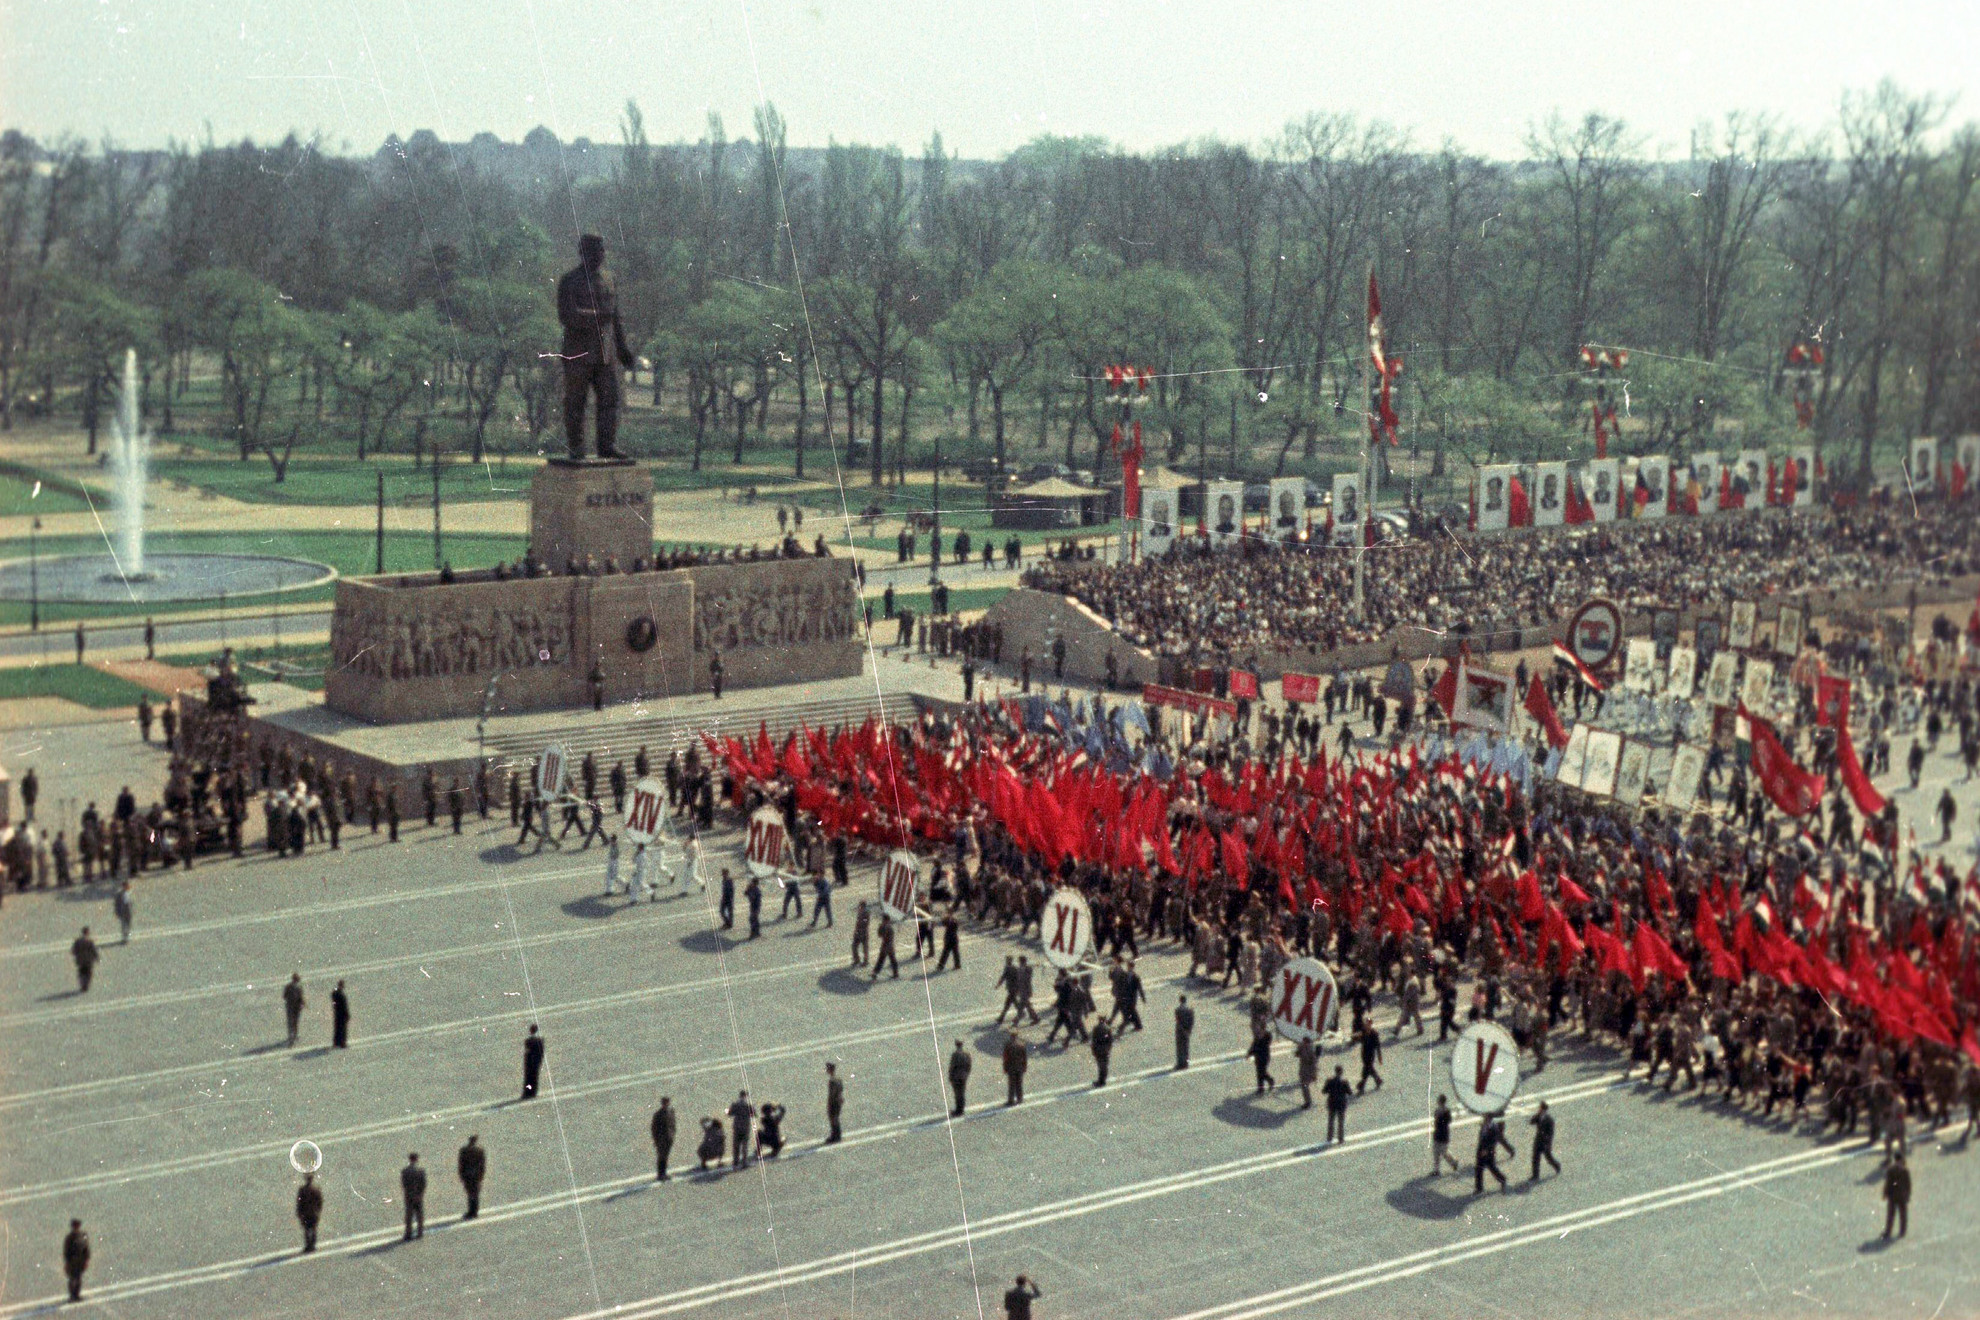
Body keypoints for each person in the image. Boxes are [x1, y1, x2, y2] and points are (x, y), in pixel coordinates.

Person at [556, 233, 634, 460]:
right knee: (575, 402)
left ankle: (606, 445)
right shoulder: (569, 281)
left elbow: (615, 317)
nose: (600, 255)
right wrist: (597, 317)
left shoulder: (609, 279)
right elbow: (566, 315)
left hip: (605, 354)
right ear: (583, 253)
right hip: (577, 353)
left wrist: (622, 348)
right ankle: (576, 446)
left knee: (610, 399)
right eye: (595, 251)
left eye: (602, 250)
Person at [1475, 1114, 1514, 1193]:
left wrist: (1486, 1150)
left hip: (1488, 1152)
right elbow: (1481, 1137)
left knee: (1492, 1168)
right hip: (1481, 1150)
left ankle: (1502, 1179)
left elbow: (1493, 1141)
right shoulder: (1484, 1125)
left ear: (1489, 1118)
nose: (1484, 1118)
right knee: (1479, 1169)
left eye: (1485, 1117)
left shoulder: (1494, 1127)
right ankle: (1479, 1188)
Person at [1432, 1095, 1463, 1175]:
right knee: (1436, 1152)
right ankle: (1436, 1170)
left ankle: (1454, 1162)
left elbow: (1448, 1121)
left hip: (1443, 1134)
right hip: (1438, 1133)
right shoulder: (1437, 1110)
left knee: (1444, 1152)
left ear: (1440, 1101)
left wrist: (1440, 1119)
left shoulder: (1446, 1111)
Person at [1882, 1153, 1910, 1239]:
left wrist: (1885, 1193)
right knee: (1896, 1214)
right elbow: (1908, 1185)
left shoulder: (1894, 1170)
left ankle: (1896, 1231)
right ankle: (1896, 1231)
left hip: (1897, 1195)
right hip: (1897, 1195)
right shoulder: (1902, 1170)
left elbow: (1908, 1184)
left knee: (1898, 1214)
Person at [1529, 1101, 1560, 1179]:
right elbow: (1531, 1122)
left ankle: (1557, 1165)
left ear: (1543, 1109)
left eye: (1540, 1108)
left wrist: (1547, 1142)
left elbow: (1550, 1133)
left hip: (1545, 1142)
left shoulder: (1549, 1120)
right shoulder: (1538, 1116)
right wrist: (1536, 1115)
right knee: (1535, 1158)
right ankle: (1535, 1175)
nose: (1539, 1109)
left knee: (1548, 1157)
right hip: (1538, 1140)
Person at [457, 1135, 486, 1219]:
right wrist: (481, 1174)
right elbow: (482, 1164)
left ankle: (471, 1211)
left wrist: (461, 1175)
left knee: (470, 1193)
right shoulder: (480, 1150)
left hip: (467, 1174)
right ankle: (475, 1211)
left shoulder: (464, 1150)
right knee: (476, 1193)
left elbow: (461, 1163)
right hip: (476, 1174)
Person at [1322, 1065, 1352, 1142]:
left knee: (1331, 1121)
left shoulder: (1329, 1081)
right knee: (1341, 1122)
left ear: (1335, 1071)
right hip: (1341, 1103)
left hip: (1332, 1103)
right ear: (1341, 1072)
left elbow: (1324, 1091)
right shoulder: (1344, 1082)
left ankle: (1329, 1137)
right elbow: (1350, 1092)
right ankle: (1340, 1138)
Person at [400, 1152, 427, 1240]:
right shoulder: (421, 1171)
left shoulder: (405, 1171)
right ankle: (420, 1232)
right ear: (417, 1159)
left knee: (409, 1215)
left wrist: (408, 1193)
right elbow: (423, 1184)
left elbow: (404, 1184)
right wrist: (420, 1194)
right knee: (419, 1214)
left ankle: (408, 1233)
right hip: (418, 1195)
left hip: (409, 1195)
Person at [62, 1219, 90, 1301]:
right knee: (72, 1279)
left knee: (78, 1278)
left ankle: (77, 1295)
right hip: (72, 1261)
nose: (76, 1228)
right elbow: (66, 1251)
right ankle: (72, 1296)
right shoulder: (69, 1238)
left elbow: (86, 1248)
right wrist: (67, 1263)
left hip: (80, 1261)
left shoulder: (83, 1235)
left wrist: (86, 1260)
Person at [296, 1173, 323, 1252]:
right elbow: (320, 1201)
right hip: (314, 1212)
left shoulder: (302, 1190)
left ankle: (309, 1245)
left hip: (306, 1213)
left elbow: (299, 1202)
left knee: (307, 1230)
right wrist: (318, 1210)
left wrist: (299, 1212)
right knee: (313, 1229)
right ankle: (312, 1245)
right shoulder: (316, 1189)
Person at [728, 1091, 755, 1168]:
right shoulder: (748, 1105)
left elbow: (730, 1113)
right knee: (744, 1145)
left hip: (737, 1126)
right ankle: (744, 1162)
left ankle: (735, 1161)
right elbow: (754, 1114)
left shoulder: (735, 1104)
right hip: (745, 1126)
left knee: (736, 1144)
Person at [1357, 1020, 1384, 1093]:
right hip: (1364, 1054)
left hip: (1371, 1054)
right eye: (1366, 1024)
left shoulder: (1374, 1034)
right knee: (1369, 1069)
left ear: (1370, 1025)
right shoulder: (1363, 1032)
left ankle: (1362, 1085)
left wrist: (1379, 1057)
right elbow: (1360, 1039)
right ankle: (1378, 1080)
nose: (1366, 1026)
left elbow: (1378, 1046)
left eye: (1368, 1024)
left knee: (1367, 1069)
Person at [652, 1097, 676, 1180]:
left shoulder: (671, 1111)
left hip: (669, 1137)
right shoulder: (658, 1114)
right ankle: (660, 1174)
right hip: (661, 1139)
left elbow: (673, 1123)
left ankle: (664, 1173)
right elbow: (654, 1128)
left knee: (666, 1156)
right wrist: (656, 1140)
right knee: (662, 1156)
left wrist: (673, 1134)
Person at [1003, 1032, 1029, 1105]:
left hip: (1011, 1067)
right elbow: (1025, 1057)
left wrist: (1005, 1067)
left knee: (1012, 1084)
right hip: (1020, 1066)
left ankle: (1011, 1100)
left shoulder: (1008, 1045)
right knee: (1019, 1083)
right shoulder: (1022, 1045)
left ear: (1011, 1036)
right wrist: (1025, 1067)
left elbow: (1006, 1058)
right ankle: (1020, 1098)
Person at [948, 1039, 973, 1116]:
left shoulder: (955, 1054)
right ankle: (961, 1109)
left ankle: (958, 1110)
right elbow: (969, 1065)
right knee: (962, 1092)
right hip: (963, 1076)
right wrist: (966, 1073)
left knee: (957, 1093)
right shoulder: (967, 1054)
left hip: (956, 1076)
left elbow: (952, 1066)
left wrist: (950, 1076)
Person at [872, 911, 899, 978]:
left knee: (882, 960)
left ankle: (875, 973)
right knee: (891, 960)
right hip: (888, 946)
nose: (883, 921)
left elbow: (882, 935)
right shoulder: (886, 926)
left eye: (883, 920)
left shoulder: (888, 928)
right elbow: (879, 935)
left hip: (887, 946)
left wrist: (881, 928)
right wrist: (880, 928)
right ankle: (895, 973)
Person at [1248, 1029, 1276, 1094]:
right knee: (1259, 1073)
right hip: (1258, 1057)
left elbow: (1264, 1044)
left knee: (1261, 1072)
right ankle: (1262, 1087)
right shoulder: (1257, 1037)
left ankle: (1268, 1082)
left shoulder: (1266, 1038)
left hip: (1264, 1057)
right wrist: (1249, 1053)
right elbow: (1253, 1046)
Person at [72, 926, 99, 993]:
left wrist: (77, 956)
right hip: (88, 960)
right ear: (87, 932)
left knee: (82, 972)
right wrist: (96, 958)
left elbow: (73, 951)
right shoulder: (90, 941)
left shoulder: (78, 941)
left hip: (80, 960)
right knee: (88, 973)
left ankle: (82, 984)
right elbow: (93, 950)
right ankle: (86, 985)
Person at [522, 1024, 545, 1099]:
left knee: (528, 1078)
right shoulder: (540, 1040)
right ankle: (533, 1092)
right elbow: (541, 1052)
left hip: (529, 1061)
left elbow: (527, 1051)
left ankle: (528, 1092)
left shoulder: (528, 1041)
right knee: (535, 1077)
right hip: (537, 1061)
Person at [1296, 1035, 1319, 1109]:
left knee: (1305, 1087)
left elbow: (1314, 1063)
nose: (1303, 1043)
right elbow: (1297, 1054)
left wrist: (1314, 1074)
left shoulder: (1311, 1050)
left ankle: (1308, 1102)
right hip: (1303, 1070)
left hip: (1308, 1071)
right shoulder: (1302, 1047)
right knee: (1304, 1087)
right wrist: (1299, 1048)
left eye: (1304, 1042)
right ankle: (1307, 1101)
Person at [1091, 1017, 1115, 1087]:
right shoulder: (1108, 1028)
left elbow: (1094, 1040)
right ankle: (1102, 1080)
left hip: (1098, 1049)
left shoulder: (1096, 1028)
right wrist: (1108, 1048)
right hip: (1105, 1049)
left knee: (1100, 1066)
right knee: (1104, 1066)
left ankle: (1100, 1081)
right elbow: (1110, 1040)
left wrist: (1093, 1050)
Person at [283, 973, 306, 1046]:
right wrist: (303, 1003)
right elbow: (301, 997)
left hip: (289, 1007)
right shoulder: (299, 987)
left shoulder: (288, 986)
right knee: (295, 1021)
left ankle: (291, 1036)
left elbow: (284, 996)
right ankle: (294, 1035)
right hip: (297, 1007)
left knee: (290, 1022)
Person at [826, 1062, 845, 1143]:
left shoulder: (832, 1081)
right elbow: (841, 1090)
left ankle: (835, 1135)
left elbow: (831, 1094)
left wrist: (829, 1104)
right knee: (836, 1118)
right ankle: (837, 1134)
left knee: (833, 1118)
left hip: (834, 1102)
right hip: (838, 1101)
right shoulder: (839, 1080)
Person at [1175, 994, 1195, 1069]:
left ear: (1180, 1001)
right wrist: (1189, 1030)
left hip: (1180, 1030)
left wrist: (1182, 1029)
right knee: (1186, 1046)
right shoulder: (1190, 1009)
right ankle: (1186, 1062)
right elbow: (1192, 1020)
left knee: (1180, 1047)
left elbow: (1178, 1021)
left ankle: (1180, 1063)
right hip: (1187, 1029)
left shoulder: (1177, 1010)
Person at [331, 979, 351, 1048]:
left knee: (337, 1028)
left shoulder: (335, 993)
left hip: (337, 1013)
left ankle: (336, 1042)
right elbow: (344, 1006)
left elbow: (333, 996)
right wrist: (347, 1014)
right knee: (343, 1029)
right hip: (342, 1014)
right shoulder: (341, 995)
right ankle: (342, 1043)